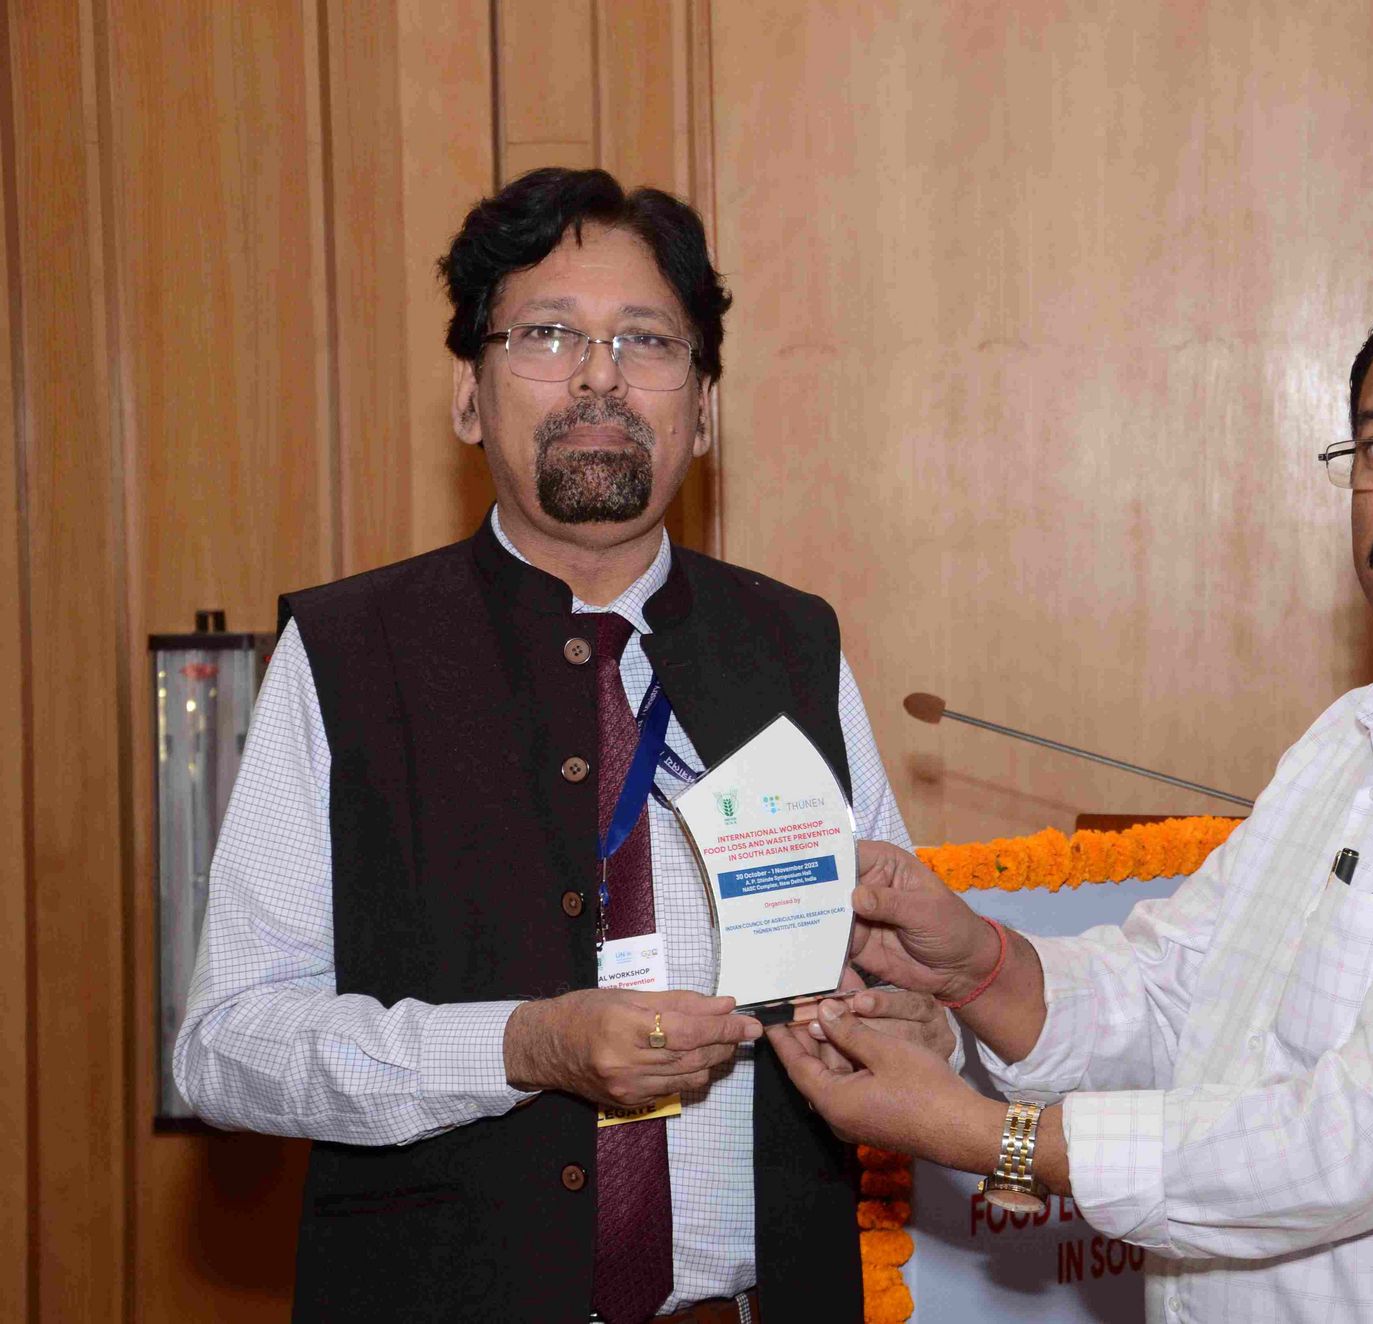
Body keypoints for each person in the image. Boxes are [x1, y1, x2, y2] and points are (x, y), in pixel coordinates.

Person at [770, 279, 1373, 1322]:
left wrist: (977, 1134)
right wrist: (977, 963)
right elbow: (1179, 993)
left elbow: (1359, 1137)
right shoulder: (1351, 736)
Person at [174, 167, 950, 1324]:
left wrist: (914, 1022)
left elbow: (904, 990)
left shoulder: (791, 647)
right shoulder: (348, 653)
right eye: (546, 334)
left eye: (645, 341)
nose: (598, 376)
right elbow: (225, 1049)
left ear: (704, 406)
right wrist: (523, 1046)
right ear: (469, 398)